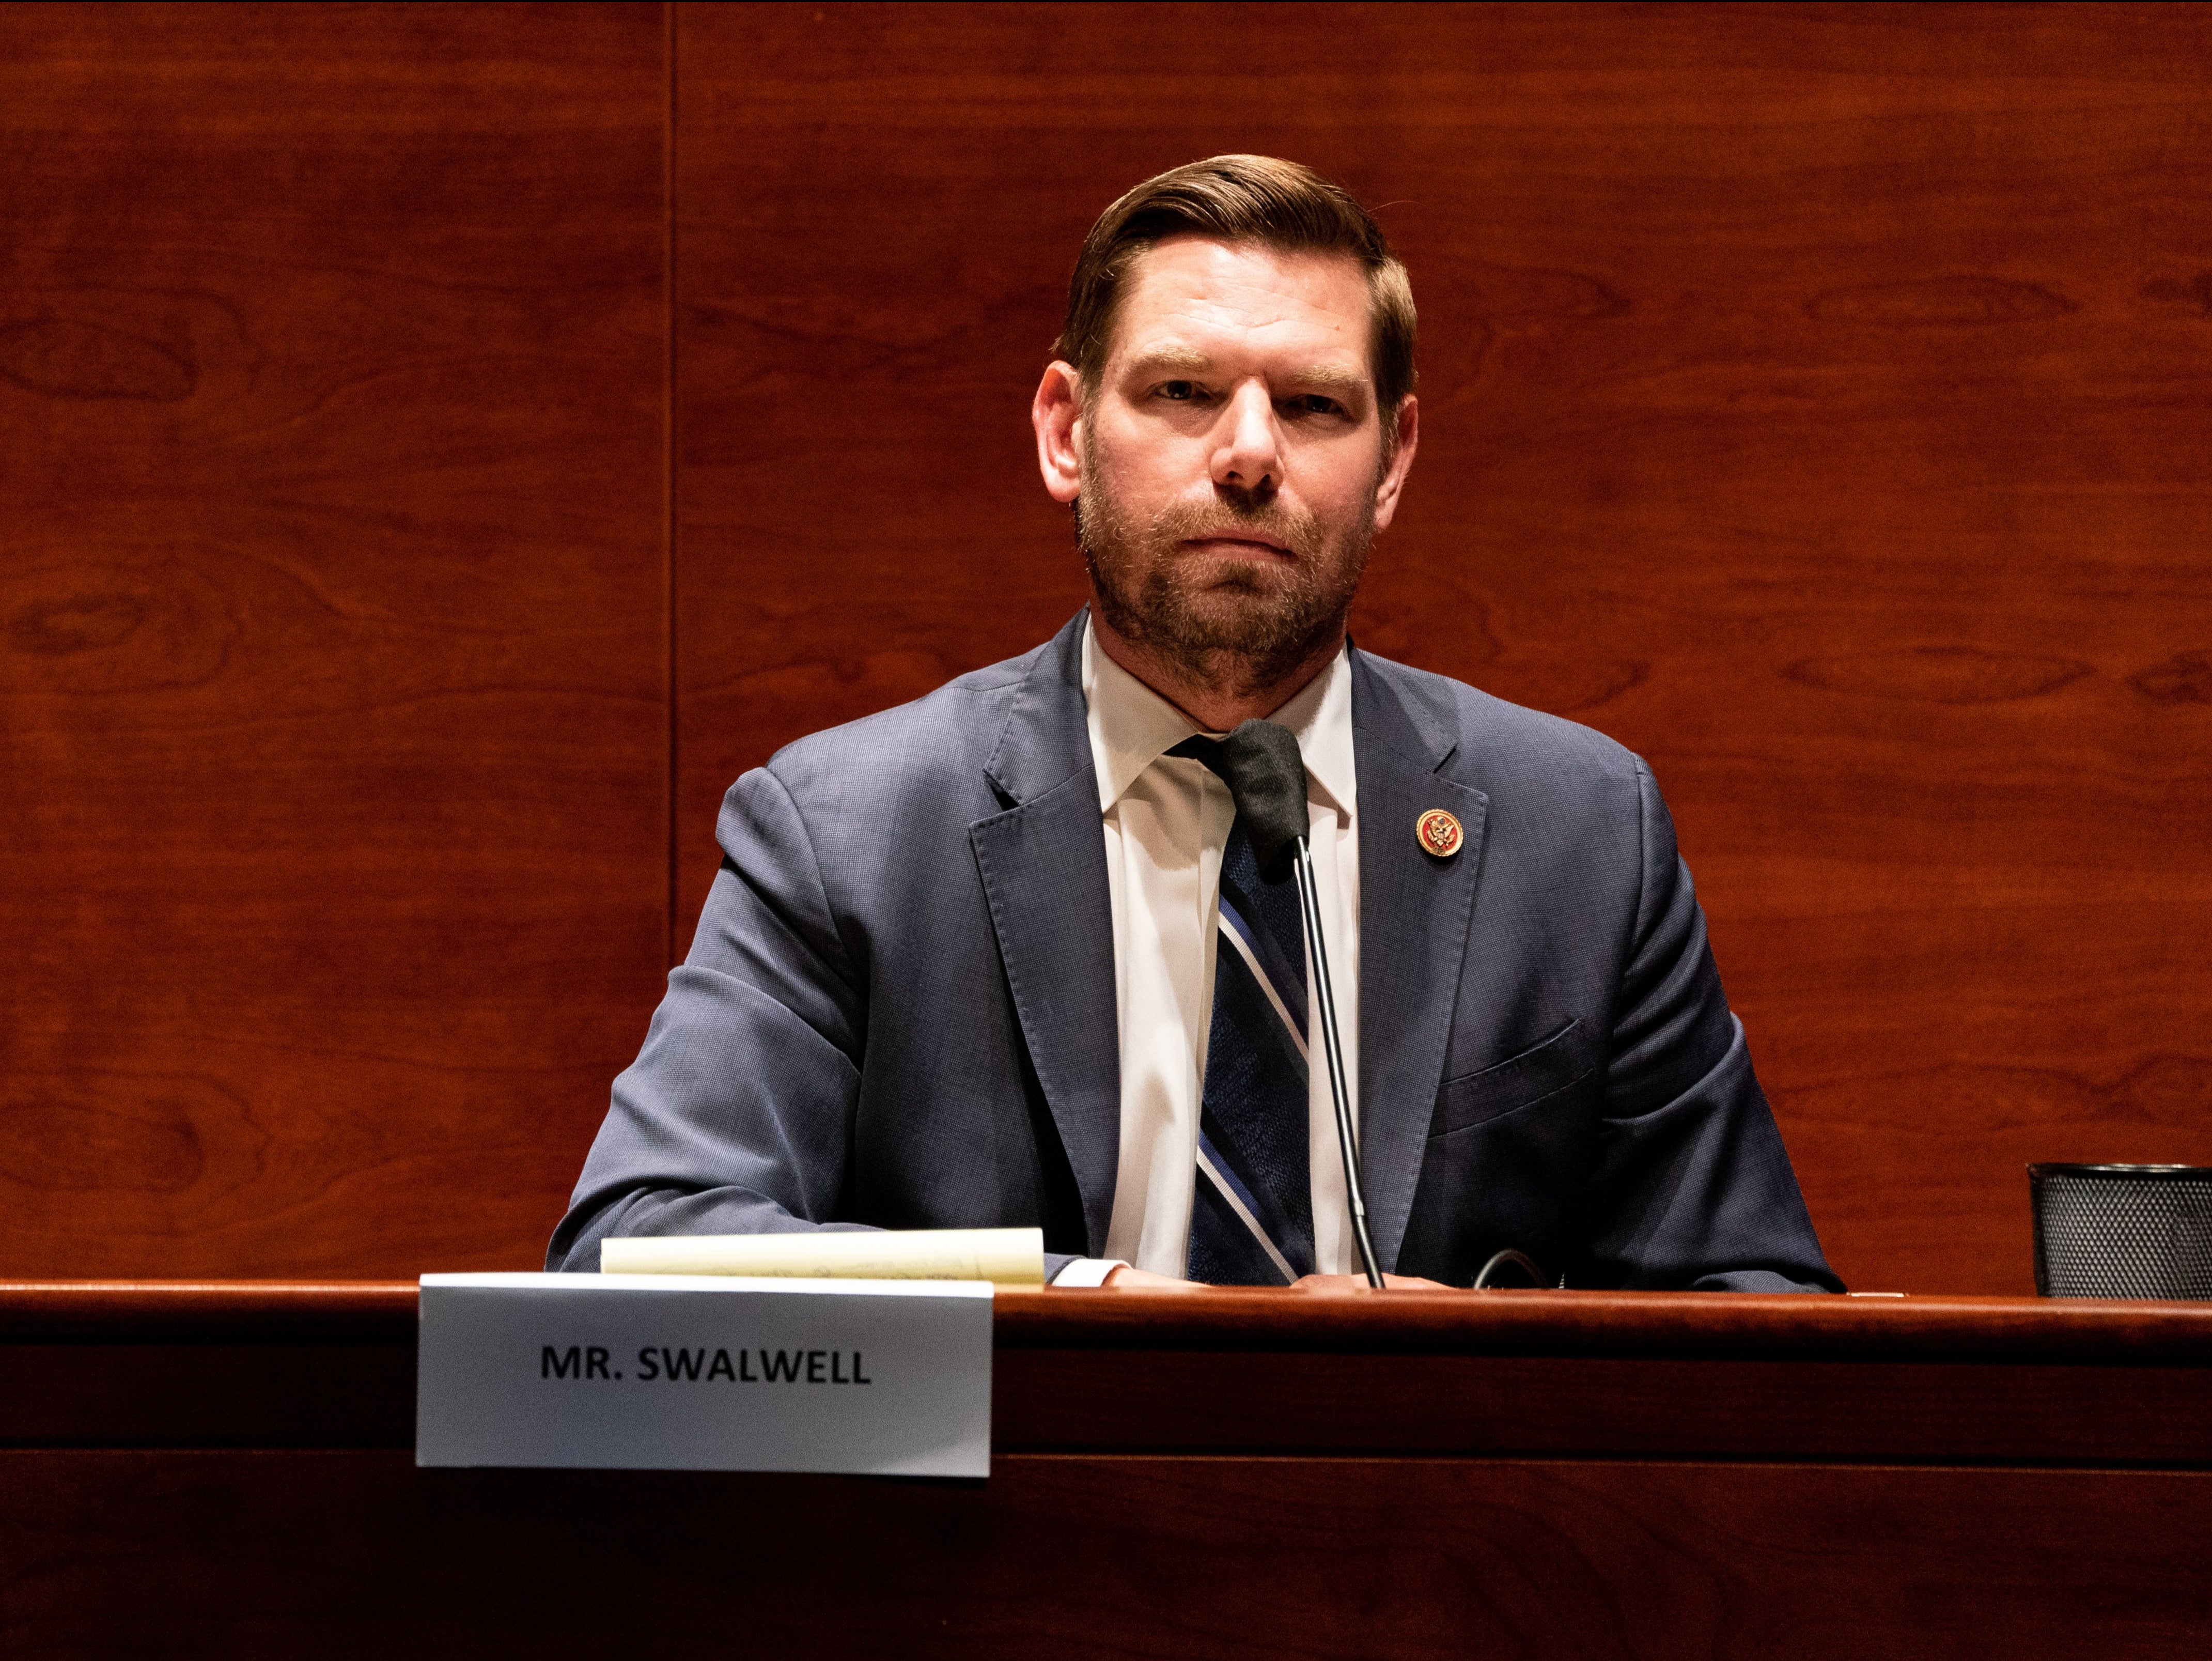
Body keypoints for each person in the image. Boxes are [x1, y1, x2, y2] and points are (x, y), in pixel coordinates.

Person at [549, 154, 1841, 1294]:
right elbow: (643, 1241)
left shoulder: (1577, 831)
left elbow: (1751, 1300)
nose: (1245, 453)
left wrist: (1474, 1364)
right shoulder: (848, 830)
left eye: (1314, 406)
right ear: (1065, 431)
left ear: (1389, 464)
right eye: (1179, 391)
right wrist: (1089, 1305)